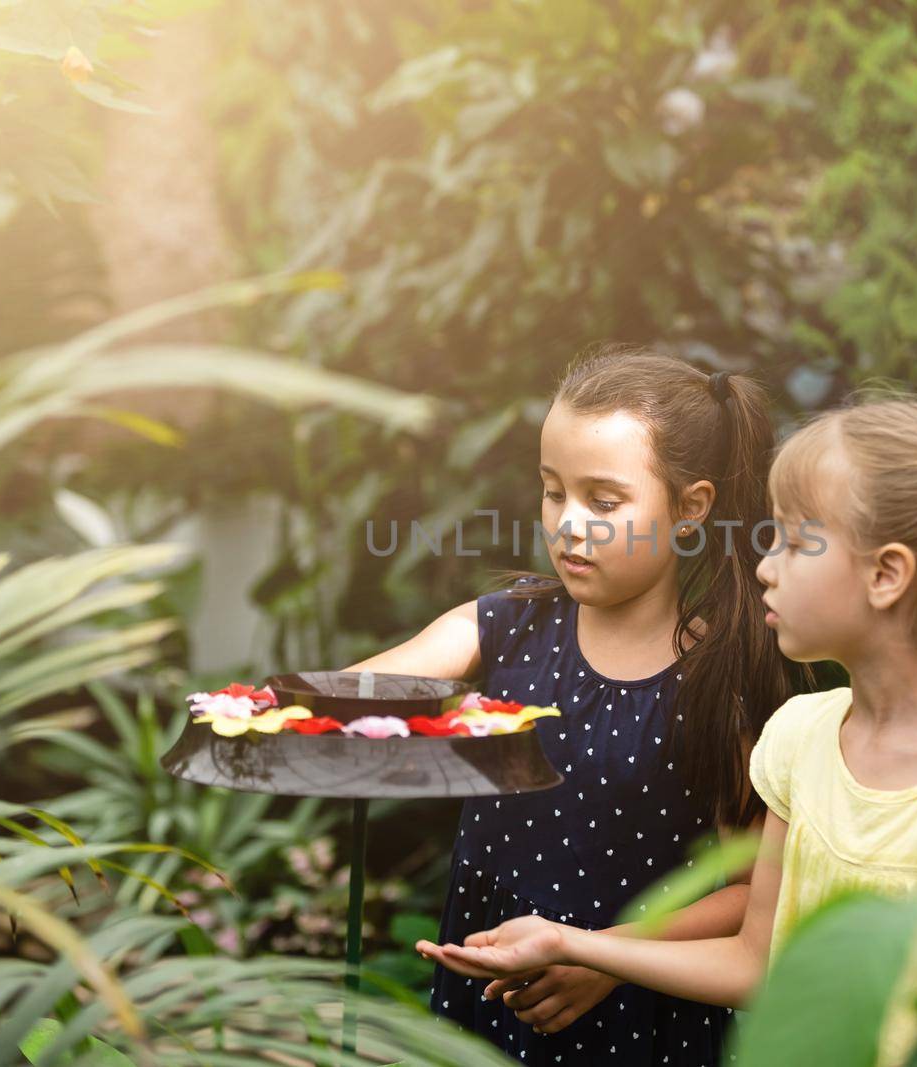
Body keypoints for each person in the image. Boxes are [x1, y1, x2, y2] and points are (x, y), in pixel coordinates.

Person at [418, 393, 917, 1066]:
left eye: (795, 542)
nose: (763, 567)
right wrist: (571, 943)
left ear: (887, 575)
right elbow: (754, 960)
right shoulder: (800, 737)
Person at [348, 344, 814, 1064]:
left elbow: (750, 889)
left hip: (637, 1018)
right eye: (553, 490)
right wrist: (265, 708)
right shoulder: (503, 625)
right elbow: (356, 693)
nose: (568, 522)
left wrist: (607, 956)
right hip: (483, 1007)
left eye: (604, 499)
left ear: (690, 509)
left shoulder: (720, 676)